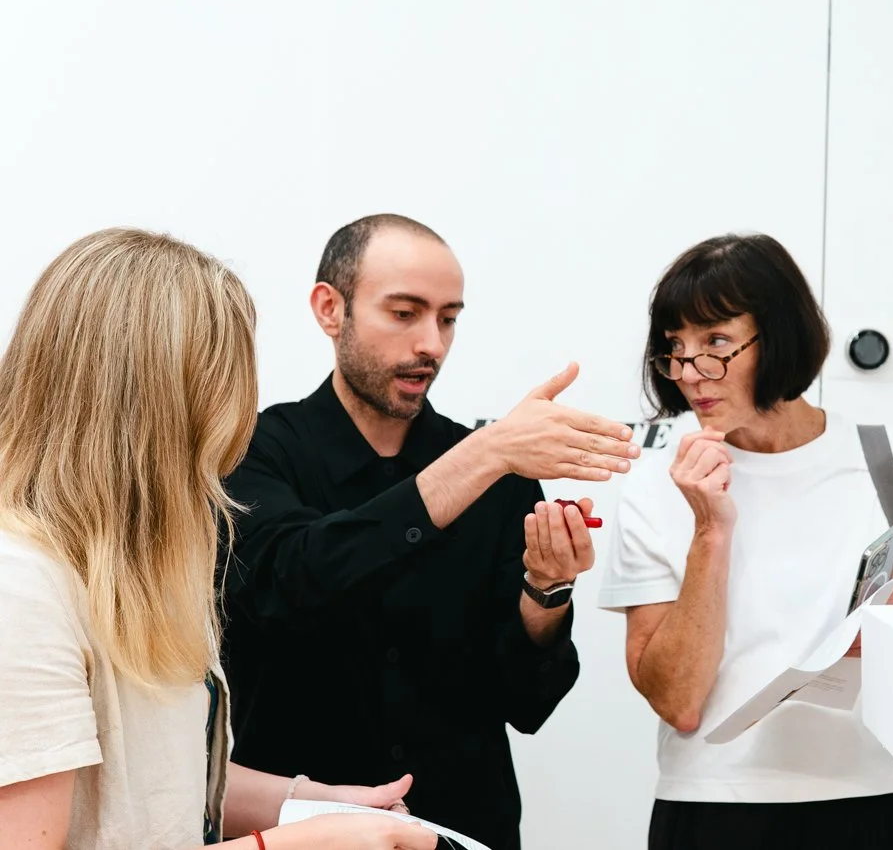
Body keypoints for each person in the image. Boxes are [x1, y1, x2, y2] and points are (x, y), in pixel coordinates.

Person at [0, 228, 437, 849]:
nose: (237, 415)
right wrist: (291, 845)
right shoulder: (20, 588)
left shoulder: (146, 563)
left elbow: (155, 784)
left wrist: (311, 805)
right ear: (157, 404)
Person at [220, 214, 641, 850]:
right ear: (330, 309)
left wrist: (546, 592)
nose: (432, 345)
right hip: (301, 833)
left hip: (465, 827)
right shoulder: (256, 451)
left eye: (448, 319)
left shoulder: (499, 470)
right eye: (405, 313)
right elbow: (291, 581)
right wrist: (485, 454)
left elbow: (528, 702)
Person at [597, 232, 893, 849]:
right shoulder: (658, 481)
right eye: (675, 348)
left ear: (781, 334)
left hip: (881, 793)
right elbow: (678, 700)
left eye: (716, 343)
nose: (690, 373)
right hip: (716, 805)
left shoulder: (887, 458)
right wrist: (710, 530)